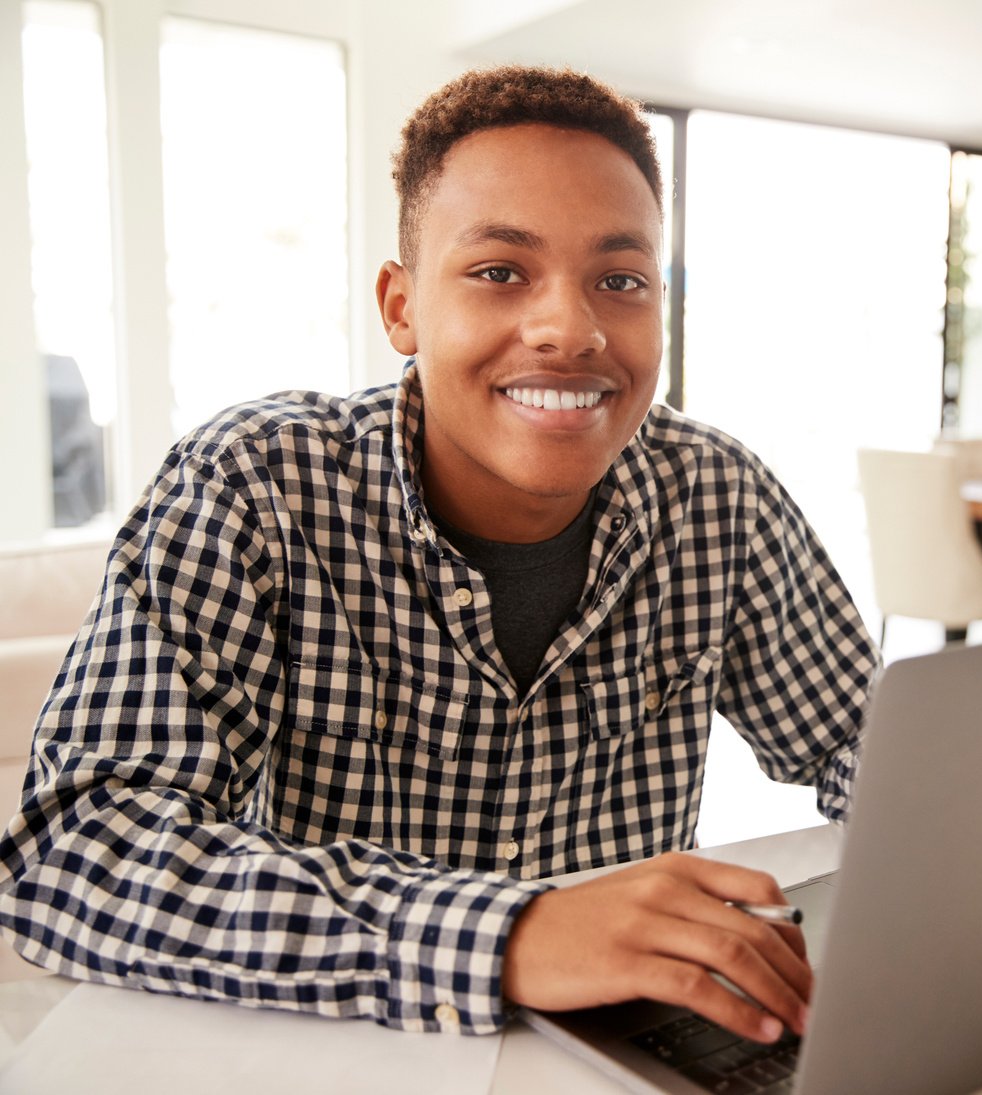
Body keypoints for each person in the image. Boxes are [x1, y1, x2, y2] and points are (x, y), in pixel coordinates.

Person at [0, 66, 878, 1047]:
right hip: (332, 1050)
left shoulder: (718, 497)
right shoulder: (251, 487)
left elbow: (872, 747)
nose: (571, 329)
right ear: (402, 307)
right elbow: (76, 852)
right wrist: (510, 934)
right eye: (501, 271)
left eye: (619, 280)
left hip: (623, 1058)